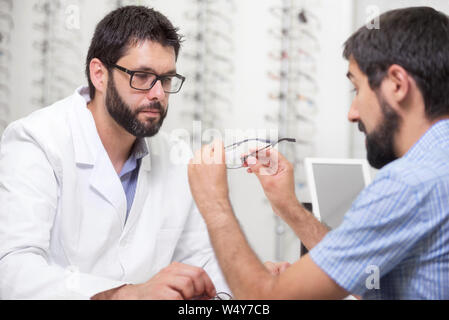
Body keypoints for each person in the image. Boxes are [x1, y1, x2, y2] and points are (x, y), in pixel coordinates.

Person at [188, 6, 449, 299]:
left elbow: (266, 299)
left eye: (356, 88)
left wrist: (215, 204)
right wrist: (287, 205)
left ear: (397, 85)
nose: (352, 113)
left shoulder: (408, 185)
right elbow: (356, 266)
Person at [0, 6, 227, 300]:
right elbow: (12, 270)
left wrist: (248, 287)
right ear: (99, 74)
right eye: (142, 76)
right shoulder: (38, 141)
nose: (157, 93)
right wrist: (126, 295)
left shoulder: (177, 157)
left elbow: (203, 264)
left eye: (167, 79)